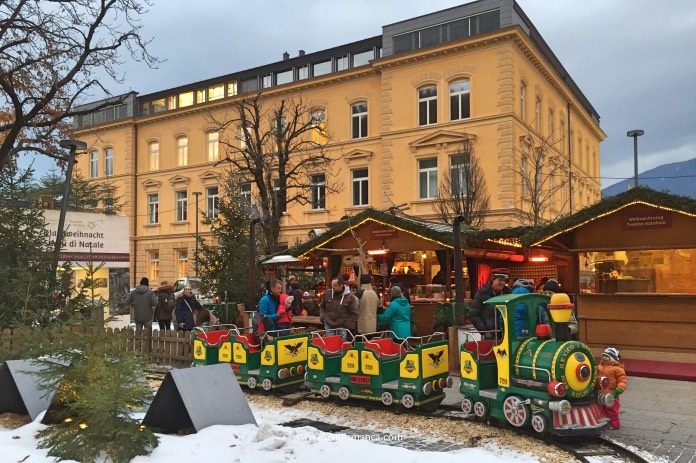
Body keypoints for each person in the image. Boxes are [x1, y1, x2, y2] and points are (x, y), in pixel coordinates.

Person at [468, 268, 512, 339]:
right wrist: (484, 331)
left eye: (504, 280)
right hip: (491, 334)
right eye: (500, 280)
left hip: (507, 333)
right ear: (493, 279)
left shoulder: (509, 292)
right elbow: (473, 314)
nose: (502, 283)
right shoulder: (482, 293)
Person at [598, 347, 627, 430]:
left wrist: (619, 389)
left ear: (612, 359)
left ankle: (614, 424)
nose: (604, 358)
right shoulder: (599, 367)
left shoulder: (618, 369)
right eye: (603, 355)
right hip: (601, 393)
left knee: (612, 410)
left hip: (612, 394)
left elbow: (622, 380)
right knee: (602, 409)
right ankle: (604, 423)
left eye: (606, 356)